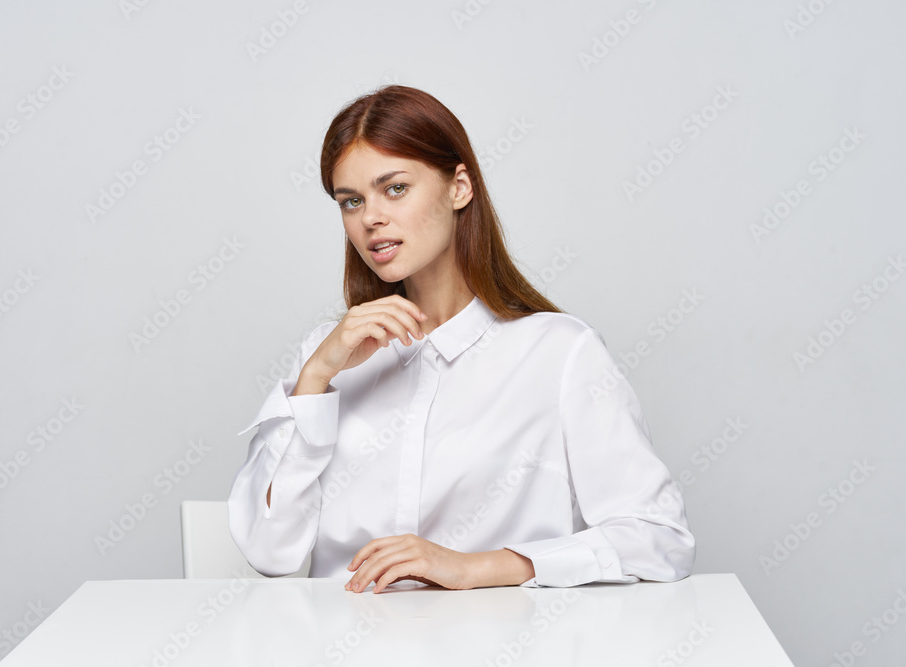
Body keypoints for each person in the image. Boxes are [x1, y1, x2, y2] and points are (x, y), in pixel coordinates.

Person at [228, 84, 695, 594]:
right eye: (351, 201)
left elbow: (659, 539)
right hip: (345, 634)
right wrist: (316, 376)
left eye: (395, 188)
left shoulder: (560, 353)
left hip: (500, 635)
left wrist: (475, 568)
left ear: (459, 188)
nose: (370, 218)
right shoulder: (330, 356)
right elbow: (268, 551)